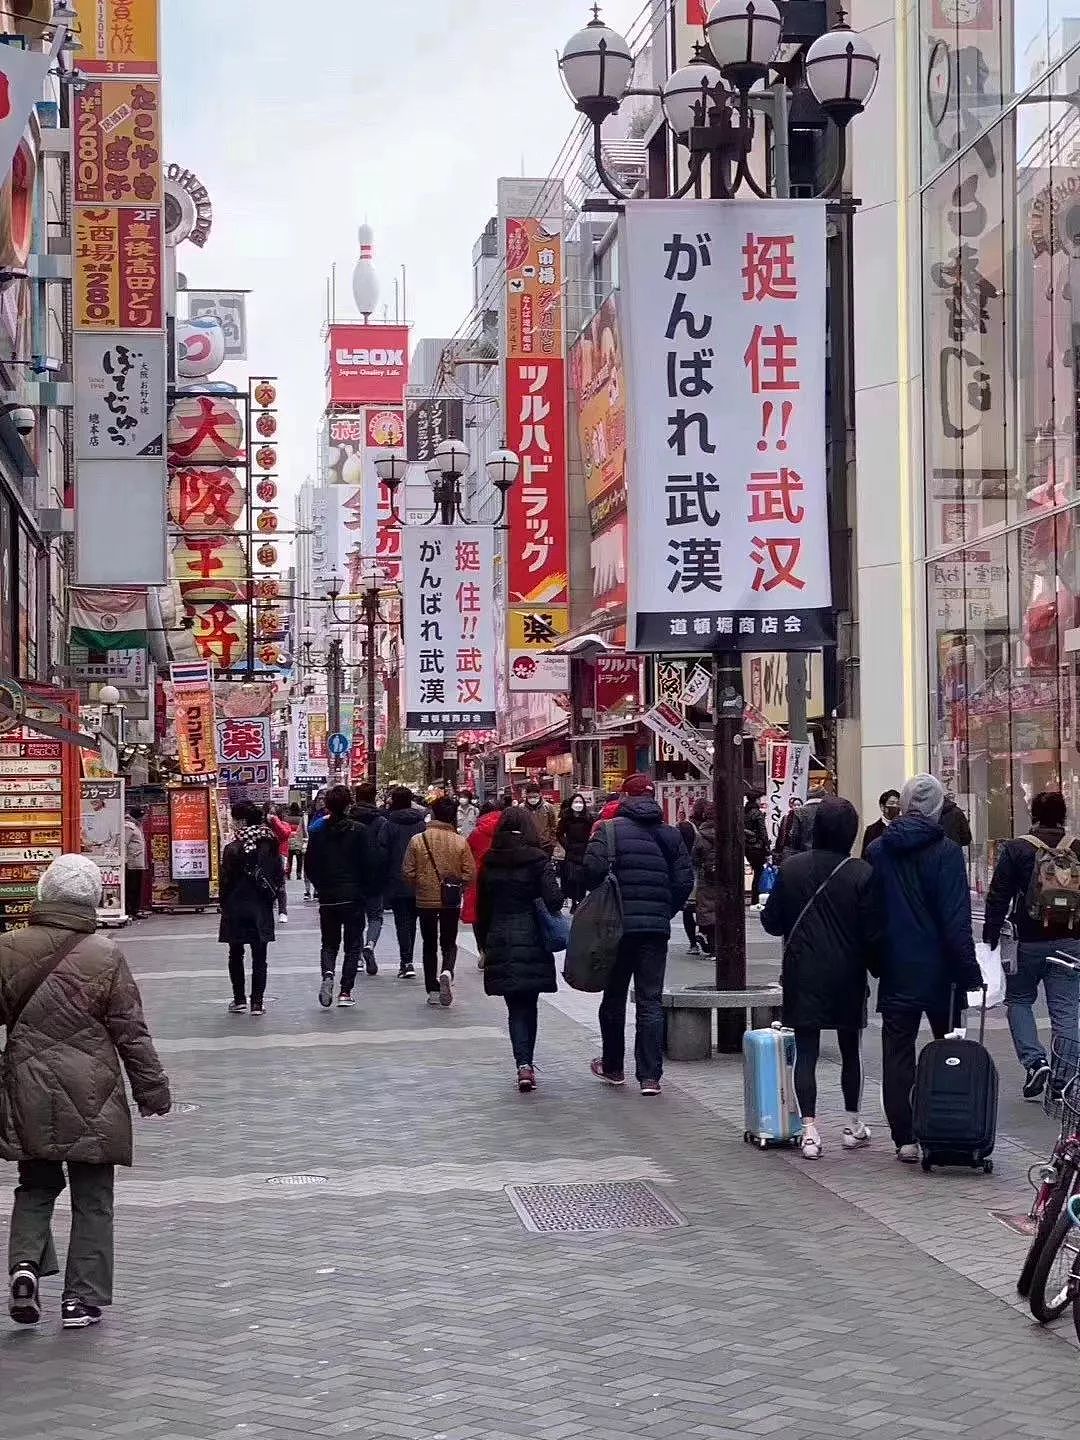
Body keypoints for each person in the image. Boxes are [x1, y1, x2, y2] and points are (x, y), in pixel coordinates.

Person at [1, 854, 171, 1330]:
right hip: (94, 1089)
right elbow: (130, 1031)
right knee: (93, 1196)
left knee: (34, 1183)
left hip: (27, 1085)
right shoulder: (105, 954)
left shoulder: (8, 948)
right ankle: (81, 1299)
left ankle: (24, 1267)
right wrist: (152, 1090)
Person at [867, 773, 982, 1162]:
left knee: (897, 1052)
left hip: (897, 966)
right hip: (942, 973)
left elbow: (871, 911)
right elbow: (956, 921)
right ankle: (947, 1127)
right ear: (937, 808)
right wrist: (970, 973)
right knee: (950, 1048)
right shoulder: (947, 852)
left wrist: (875, 959)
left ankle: (904, 1138)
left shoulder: (879, 850)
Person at [761, 797, 883, 1159]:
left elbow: (771, 921)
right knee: (850, 1050)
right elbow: (873, 931)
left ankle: (810, 1130)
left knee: (807, 1051)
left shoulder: (793, 868)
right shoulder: (861, 872)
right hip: (848, 972)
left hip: (803, 970)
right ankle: (853, 1123)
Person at [582, 775, 693, 1095]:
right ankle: (650, 1077)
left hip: (614, 928)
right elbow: (684, 881)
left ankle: (614, 1067)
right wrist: (664, 910)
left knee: (614, 997)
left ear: (624, 796)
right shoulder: (670, 835)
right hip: (654, 930)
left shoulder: (608, 830)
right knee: (650, 1000)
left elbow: (589, 871)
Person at [983, 789, 1080, 1101]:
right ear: (1064, 815)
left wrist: (991, 935)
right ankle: (1064, 1078)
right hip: (1070, 940)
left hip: (1028, 940)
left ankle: (1035, 1061)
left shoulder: (1018, 848)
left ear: (1033, 815)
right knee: (1065, 1010)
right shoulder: (1077, 847)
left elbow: (998, 894)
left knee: (1020, 1000)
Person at [475, 808, 563, 1091]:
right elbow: (554, 901)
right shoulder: (539, 860)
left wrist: (484, 945)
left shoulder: (489, 861)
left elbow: (482, 909)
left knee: (514, 1007)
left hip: (500, 935)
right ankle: (528, 1062)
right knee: (530, 1003)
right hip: (533, 936)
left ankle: (522, 1065)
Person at [402, 795, 476, 1007]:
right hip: (450, 899)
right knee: (449, 942)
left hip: (425, 899)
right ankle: (447, 971)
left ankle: (432, 990)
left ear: (432, 814)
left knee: (428, 944)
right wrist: (457, 883)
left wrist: (420, 883)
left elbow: (407, 871)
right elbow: (470, 873)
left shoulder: (418, 840)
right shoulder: (460, 841)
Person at [303, 785, 371, 1008]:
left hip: (328, 896)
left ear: (327, 806)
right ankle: (345, 992)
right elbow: (370, 862)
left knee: (329, 943)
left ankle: (328, 974)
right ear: (349, 804)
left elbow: (310, 866)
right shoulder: (359, 831)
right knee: (353, 944)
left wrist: (320, 887)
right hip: (353, 896)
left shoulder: (317, 832)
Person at [219, 802, 283, 1016]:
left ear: (242, 821)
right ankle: (257, 1002)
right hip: (260, 907)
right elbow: (278, 877)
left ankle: (239, 1000)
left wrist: (223, 905)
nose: (234, 823)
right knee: (260, 956)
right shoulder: (271, 845)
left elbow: (225, 882)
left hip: (236, 906)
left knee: (235, 953)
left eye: (235, 819)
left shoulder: (232, 848)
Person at [384, 787, 428, 979]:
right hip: (419, 879)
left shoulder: (389, 823)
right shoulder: (421, 824)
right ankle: (409, 959)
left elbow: (382, 851)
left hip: (396, 878)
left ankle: (407, 961)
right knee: (413, 921)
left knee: (402, 921)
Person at [349, 781, 390, 977]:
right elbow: (385, 851)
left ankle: (356, 958)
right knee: (375, 916)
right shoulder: (381, 821)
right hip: (375, 876)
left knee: (355, 918)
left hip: (352, 877)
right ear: (374, 797)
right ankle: (370, 944)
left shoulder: (348, 820)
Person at [462, 801, 503, 946]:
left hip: (480, 878)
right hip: (504, 875)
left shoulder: (476, 833)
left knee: (480, 916)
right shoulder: (508, 830)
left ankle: (483, 949)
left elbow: (466, 854)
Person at [556, 793, 594, 914]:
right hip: (571, 851)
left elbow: (593, 833)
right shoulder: (566, 819)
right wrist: (567, 845)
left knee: (581, 878)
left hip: (584, 851)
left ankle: (581, 901)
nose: (578, 805)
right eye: (575, 802)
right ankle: (573, 901)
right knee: (571, 877)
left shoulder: (588, 818)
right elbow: (559, 834)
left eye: (580, 802)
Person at [691, 805, 718, 958]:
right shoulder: (727, 832)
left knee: (707, 910)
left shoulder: (700, 835)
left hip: (705, 877)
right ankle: (719, 948)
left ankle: (709, 942)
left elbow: (694, 858)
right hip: (724, 877)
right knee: (722, 910)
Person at [263, 803, 293, 925]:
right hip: (266, 857)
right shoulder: (263, 827)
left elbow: (284, 834)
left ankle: (283, 912)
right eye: (270, 813)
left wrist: (275, 821)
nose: (272, 815)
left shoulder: (284, 825)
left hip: (280, 855)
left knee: (281, 885)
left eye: (274, 813)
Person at [677, 806, 701, 954]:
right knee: (705, 910)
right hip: (704, 878)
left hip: (686, 877)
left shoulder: (679, 837)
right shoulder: (699, 835)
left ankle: (693, 943)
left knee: (687, 911)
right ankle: (704, 937)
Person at [744, 792, 770, 908]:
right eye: (759, 799)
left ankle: (754, 898)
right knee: (758, 872)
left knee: (756, 871)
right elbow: (762, 832)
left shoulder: (744, 812)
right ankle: (755, 899)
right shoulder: (757, 814)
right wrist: (767, 846)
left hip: (747, 846)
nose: (761, 802)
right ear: (756, 800)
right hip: (757, 847)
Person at [860, 789, 901, 859]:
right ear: (882, 807)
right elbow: (865, 857)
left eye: (898, 803)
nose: (895, 806)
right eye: (892, 803)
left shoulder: (904, 827)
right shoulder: (872, 830)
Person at [123, 808, 147, 920]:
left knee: (137, 887)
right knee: (131, 887)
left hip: (138, 862)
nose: (143, 818)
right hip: (132, 863)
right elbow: (124, 844)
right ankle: (130, 910)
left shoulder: (137, 826)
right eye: (142, 816)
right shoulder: (128, 826)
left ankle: (135, 909)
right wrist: (126, 859)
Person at [523, 783, 558, 855]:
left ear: (540, 794)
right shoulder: (521, 808)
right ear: (526, 796)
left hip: (546, 846)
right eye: (530, 797)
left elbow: (554, 826)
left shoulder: (548, 807)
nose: (532, 799)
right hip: (527, 846)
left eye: (535, 796)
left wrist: (552, 843)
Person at [286, 802, 307, 880]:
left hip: (289, 840)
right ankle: (298, 874)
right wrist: (305, 837)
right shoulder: (300, 818)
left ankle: (288, 873)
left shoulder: (287, 818)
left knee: (289, 858)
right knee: (299, 859)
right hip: (298, 841)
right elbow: (304, 829)